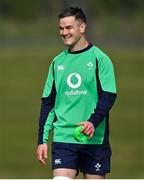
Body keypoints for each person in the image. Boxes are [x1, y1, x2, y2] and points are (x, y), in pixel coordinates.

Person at [36, 7, 117, 179]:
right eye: (61, 28)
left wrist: (92, 122)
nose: (64, 32)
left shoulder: (100, 59)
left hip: (94, 138)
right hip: (63, 137)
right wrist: (42, 140)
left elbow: (108, 96)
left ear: (82, 28)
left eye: (68, 28)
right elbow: (48, 103)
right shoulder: (56, 62)